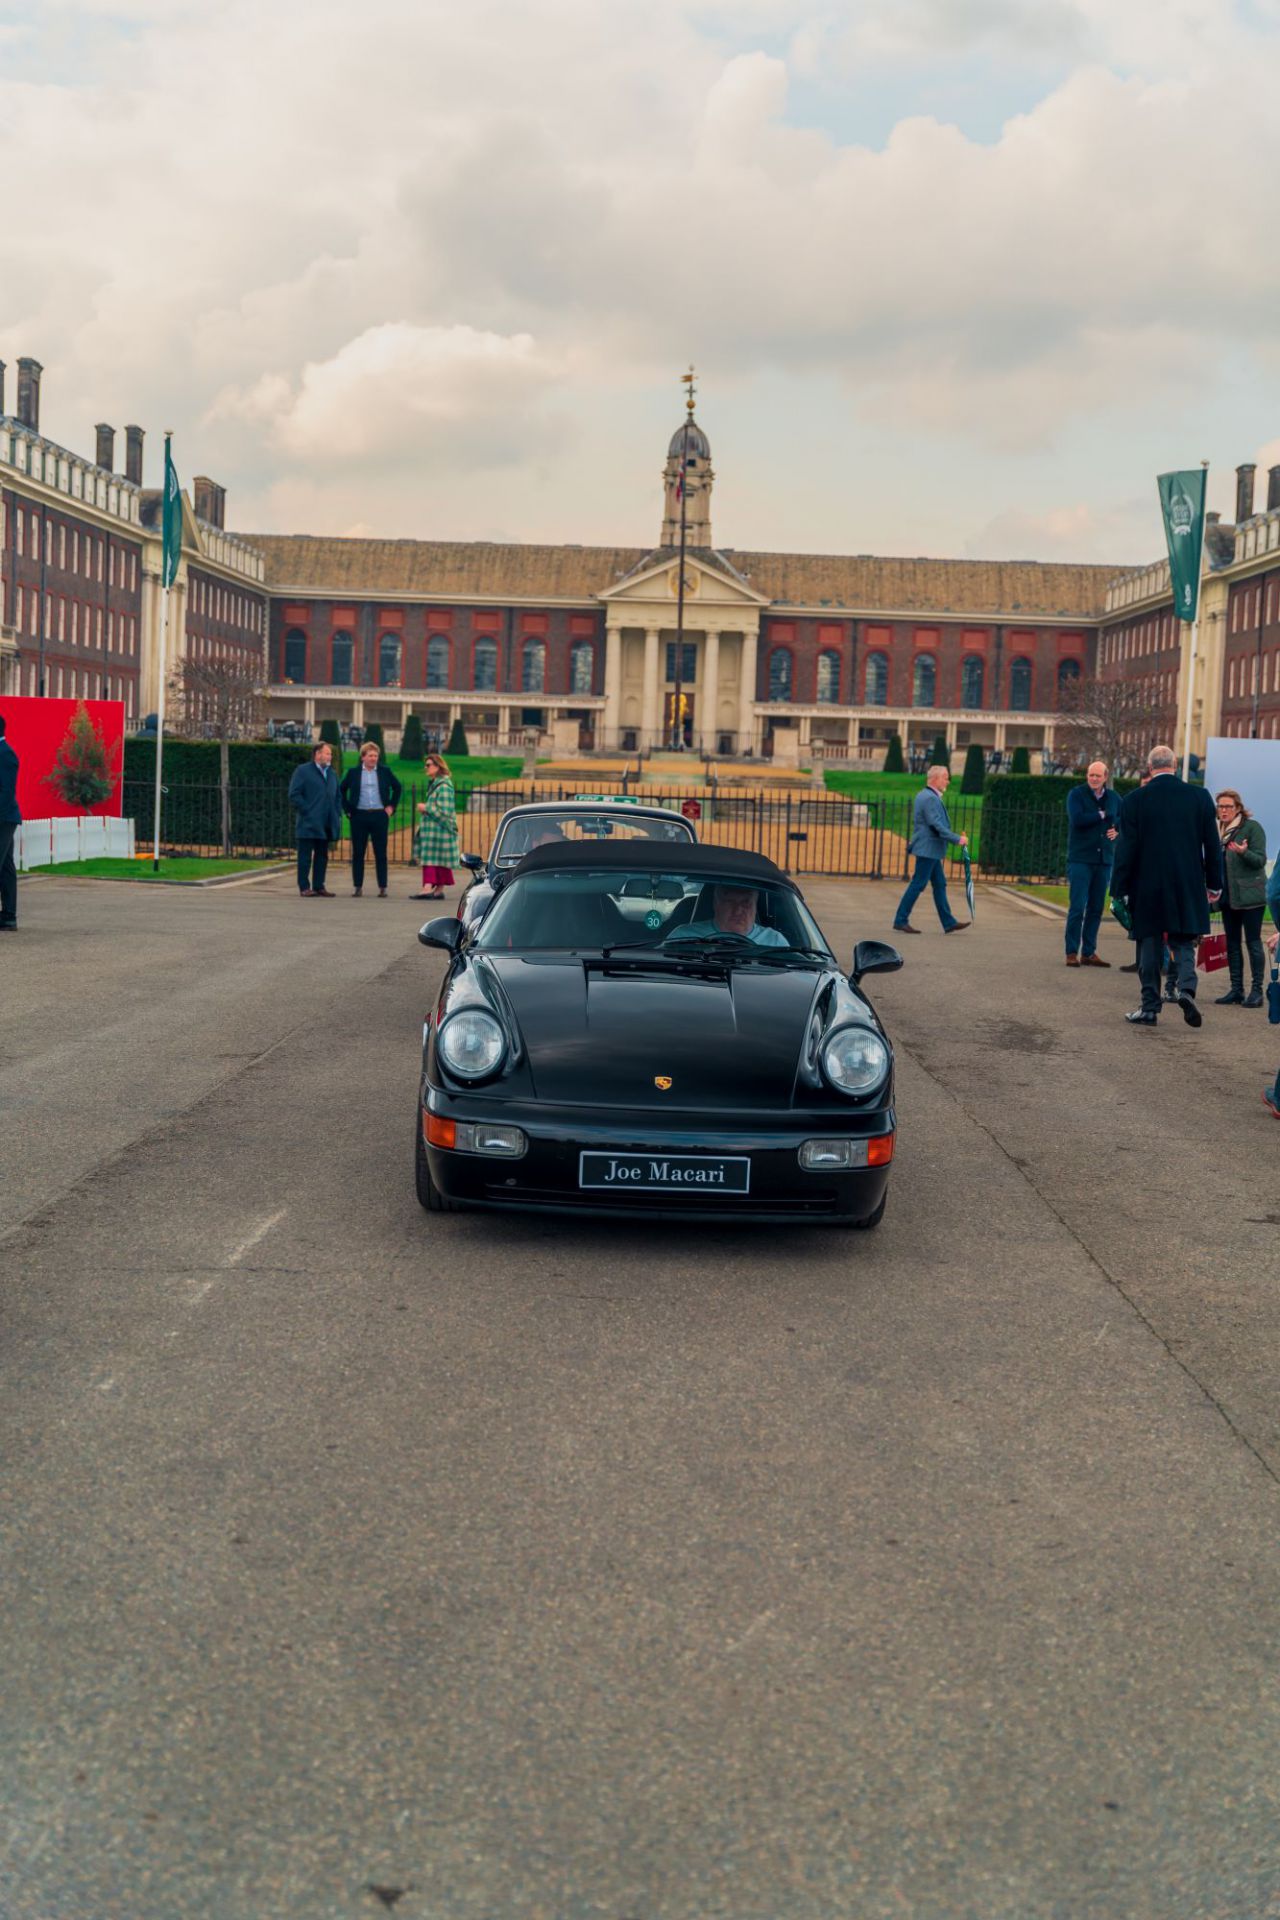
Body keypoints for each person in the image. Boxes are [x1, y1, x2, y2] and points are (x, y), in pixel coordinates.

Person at [1111, 744, 1222, 1027]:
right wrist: (1215, 884)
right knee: (1184, 940)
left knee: (1148, 943)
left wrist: (1119, 888)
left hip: (1147, 883)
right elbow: (1211, 845)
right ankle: (1185, 989)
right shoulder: (1199, 797)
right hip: (1187, 881)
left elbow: (1126, 848)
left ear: (1150, 767)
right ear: (1174, 766)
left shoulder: (1135, 800)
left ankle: (1149, 1007)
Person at [892, 766, 969, 935]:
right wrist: (958, 839)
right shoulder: (930, 798)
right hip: (928, 849)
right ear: (935, 779)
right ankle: (900, 920)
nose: (947, 781)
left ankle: (948, 922)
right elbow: (936, 825)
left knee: (939, 884)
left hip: (930, 849)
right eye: (945, 777)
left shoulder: (925, 795)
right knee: (918, 884)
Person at [1212, 787, 1268, 1007]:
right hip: (1228, 897)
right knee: (1232, 943)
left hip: (1250, 896)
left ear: (1238, 809)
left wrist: (1244, 852)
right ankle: (1236, 990)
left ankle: (1257, 991)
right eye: (1221, 806)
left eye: (1228, 806)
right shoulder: (1217, 831)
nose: (1224, 810)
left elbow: (1260, 860)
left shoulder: (1252, 828)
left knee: (1253, 942)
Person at [1064, 760, 1121, 967]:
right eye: (1091, 775)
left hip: (1104, 860)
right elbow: (1077, 819)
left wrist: (1118, 830)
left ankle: (1089, 952)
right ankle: (1072, 952)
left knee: (1096, 908)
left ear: (1106, 777)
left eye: (1098, 776)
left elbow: (1124, 817)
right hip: (1081, 859)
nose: (1094, 779)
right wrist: (1101, 815)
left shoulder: (1114, 798)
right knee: (1077, 907)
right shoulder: (1076, 795)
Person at [340, 740, 402, 898]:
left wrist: (391, 807)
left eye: (376, 756)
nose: (374, 758)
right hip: (359, 815)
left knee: (380, 852)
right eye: (370, 756)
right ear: (363, 757)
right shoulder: (353, 773)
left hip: (379, 815)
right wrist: (348, 810)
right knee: (358, 853)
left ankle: (383, 887)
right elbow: (341, 790)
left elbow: (398, 787)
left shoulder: (384, 771)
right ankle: (357, 886)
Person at [287, 740, 342, 897]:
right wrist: (308, 811)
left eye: (330, 754)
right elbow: (294, 794)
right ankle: (304, 887)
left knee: (322, 856)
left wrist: (336, 811)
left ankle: (319, 886)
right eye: (327, 753)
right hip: (308, 822)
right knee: (305, 857)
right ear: (317, 754)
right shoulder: (303, 771)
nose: (330, 756)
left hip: (326, 823)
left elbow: (337, 795)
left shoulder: (332, 773)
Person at [667, 883, 789, 947]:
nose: (737, 911)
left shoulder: (775, 942)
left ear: (755, 907)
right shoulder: (682, 938)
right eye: (729, 902)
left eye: (746, 902)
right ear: (716, 904)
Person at [413, 751, 461, 900]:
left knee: (430, 859)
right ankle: (438, 890)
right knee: (439, 860)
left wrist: (425, 808)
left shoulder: (444, 786)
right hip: (434, 832)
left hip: (439, 832)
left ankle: (427, 888)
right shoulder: (437, 784)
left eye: (428, 765)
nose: (426, 768)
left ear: (437, 766)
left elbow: (445, 812)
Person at [0, 713, 19, 933]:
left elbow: (6, 792)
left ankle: (8, 915)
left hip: (3, 818)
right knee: (6, 867)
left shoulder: (6, 754)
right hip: (5, 817)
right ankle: (8, 916)